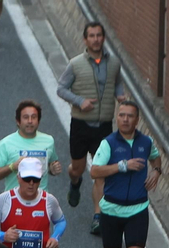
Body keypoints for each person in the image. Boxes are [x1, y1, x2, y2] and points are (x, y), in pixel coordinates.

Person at [88, 101, 160, 248]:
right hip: (111, 209)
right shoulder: (108, 143)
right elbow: (95, 170)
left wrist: (157, 171)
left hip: (138, 209)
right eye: (121, 115)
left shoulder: (146, 142)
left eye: (130, 116)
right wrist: (122, 166)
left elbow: (156, 158)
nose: (125, 119)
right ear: (117, 118)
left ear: (137, 120)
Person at [57, 20, 122, 219]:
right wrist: (80, 101)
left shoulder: (114, 63)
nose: (96, 39)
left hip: (104, 126)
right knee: (77, 168)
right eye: (92, 36)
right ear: (85, 39)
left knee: (100, 171)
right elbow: (61, 89)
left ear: (103, 38)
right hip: (81, 125)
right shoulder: (75, 64)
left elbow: (117, 83)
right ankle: (75, 182)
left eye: (99, 35)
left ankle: (98, 216)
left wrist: (121, 97)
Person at [0, 98, 61, 199]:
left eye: (34, 117)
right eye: (26, 117)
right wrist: (12, 167)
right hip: (14, 201)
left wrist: (52, 170)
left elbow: (50, 164)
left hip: (42, 201)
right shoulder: (6, 143)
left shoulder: (48, 141)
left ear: (38, 121)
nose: (30, 121)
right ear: (18, 121)